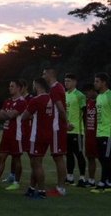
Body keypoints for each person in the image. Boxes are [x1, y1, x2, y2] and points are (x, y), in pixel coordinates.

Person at [0, 80, 27, 191]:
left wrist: (6, 114)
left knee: (16, 159)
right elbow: (0, 116)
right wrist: (7, 114)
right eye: (9, 86)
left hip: (17, 135)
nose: (10, 88)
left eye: (12, 86)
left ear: (19, 88)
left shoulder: (22, 102)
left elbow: (11, 115)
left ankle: (16, 182)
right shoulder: (7, 101)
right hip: (6, 134)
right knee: (1, 157)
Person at [90, 73, 111, 193]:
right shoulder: (99, 96)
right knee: (103, 158)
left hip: (109, 133)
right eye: (95, 81)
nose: (95, 83)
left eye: (97, 81)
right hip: (100, 132)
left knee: (106, 157)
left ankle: (102, 183)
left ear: (104, 83)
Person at [21, 77, 54, 200]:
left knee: (37, 164)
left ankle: (41, 191)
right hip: (48, 134)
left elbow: (25, 116)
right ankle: (31, 188)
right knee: (35, 163)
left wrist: (29, 114)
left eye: (34, 85)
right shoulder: (51, 98)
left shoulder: (36, 100)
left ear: (37, 85)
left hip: (37, 135)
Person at [42, 68, 68, 197]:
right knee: (57, 156)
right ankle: (60, 186)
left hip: (57, 127)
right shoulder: (58, 87)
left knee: (58, 157)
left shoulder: (55, 89)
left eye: (44, 73)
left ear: (50, 74)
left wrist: (66, 123)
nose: (43, 76)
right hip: (56, 126)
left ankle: (61, 188)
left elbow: (61, 109)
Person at [64, 73, 87, 187]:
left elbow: (85, 111)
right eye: (65, 81)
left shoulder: (79, 95)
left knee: (78, 153)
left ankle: (82, 177)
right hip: (66, 130)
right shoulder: (64, 95)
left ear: (74, 82)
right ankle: (70, 177)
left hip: (76, 130)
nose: (66, 83)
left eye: (68, 81)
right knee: (68, 154)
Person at [82, 83, 98, 187]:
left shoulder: (100, 101)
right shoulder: (87, 102)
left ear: (93, 91)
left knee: (102, 158)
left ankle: (106, 181)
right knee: (90, 157)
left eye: (88, 92)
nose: (86, 94)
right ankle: (91, 180)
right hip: (89, 134)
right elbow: (84, 118)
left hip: (99, 134)